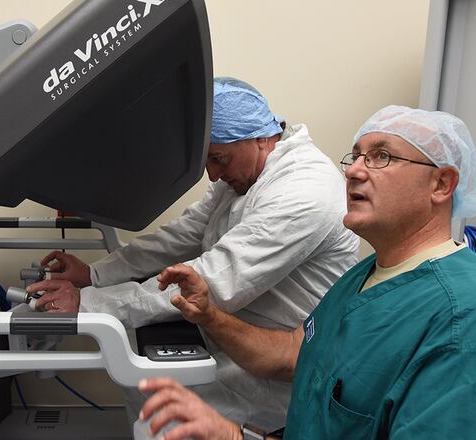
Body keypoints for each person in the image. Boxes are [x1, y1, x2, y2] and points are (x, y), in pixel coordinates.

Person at [138, 105, 476, 439]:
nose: (353, 171)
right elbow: (294, 355)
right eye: (357, 156)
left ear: (441, 184)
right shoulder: (365, 276)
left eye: (382, 156)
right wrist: (209, 315)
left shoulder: (470, 326)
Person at [26, 77, 359, 430]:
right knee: (148, 396)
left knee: (163, 414)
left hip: (278, 381)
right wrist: (96, 275)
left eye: (218, 159)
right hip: (236, 347)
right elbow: (183, 234)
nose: (213, 175)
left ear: (259, 138)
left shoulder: (302, 192)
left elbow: (211, 280)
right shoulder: (250, 173)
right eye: (207, 161)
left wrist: (89, 303)